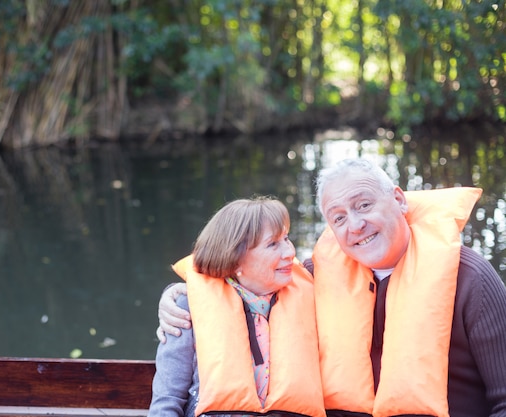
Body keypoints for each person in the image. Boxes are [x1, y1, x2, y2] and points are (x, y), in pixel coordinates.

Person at [157, 158, 506, 417]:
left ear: (399, 200)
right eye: (338, 217)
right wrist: (175, 296)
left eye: (364, 205)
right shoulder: (313, 277)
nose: (355, 225)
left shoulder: (471, 279)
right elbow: (243, 281)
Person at [148, 196, 325, 417]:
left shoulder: (314, 291)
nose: (290, 252)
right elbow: (167, 400)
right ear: (235, 260)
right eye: (273, 244)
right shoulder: (187, 305)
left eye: (286, 239)